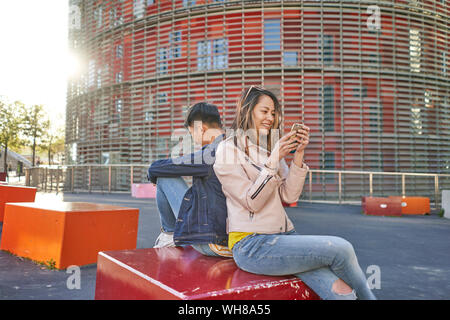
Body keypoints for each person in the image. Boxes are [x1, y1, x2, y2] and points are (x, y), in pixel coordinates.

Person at [213, 85, 377, 300]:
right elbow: (251, 202)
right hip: (252, 244)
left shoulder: (272, 150)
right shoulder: (227, 150)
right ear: (246, 110)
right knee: (342, 248)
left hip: (284, 238)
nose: (270, 117)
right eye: (264, 111)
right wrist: (273, 161)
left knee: (343, 296)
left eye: (273, 112)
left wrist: (298, 154)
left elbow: (289, 196)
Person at [147, 102, 232, 258]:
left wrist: (151, 172)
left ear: (201, 129)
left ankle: (169, 234)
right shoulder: (233, 145)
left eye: (192, 133)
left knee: (164, 176)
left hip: (212, 241)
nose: (194, 139)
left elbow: (164, 167)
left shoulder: (214, 151)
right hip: (232, 235)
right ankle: (171, 234)